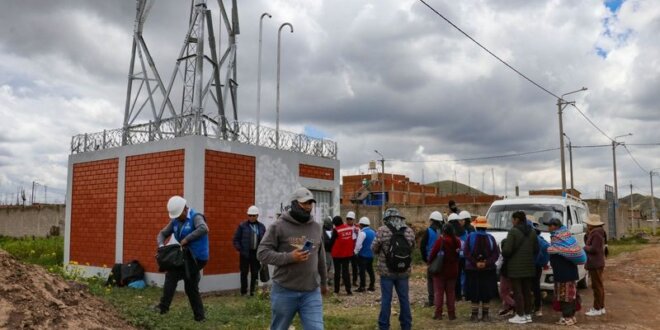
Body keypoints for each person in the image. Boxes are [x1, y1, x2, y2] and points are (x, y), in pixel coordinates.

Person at [257, 187, 327, 330]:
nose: (308, 207)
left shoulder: (316, 227)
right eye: (304, 203)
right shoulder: (278, 226)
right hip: (284, 290)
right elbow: (262, 253)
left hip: (311, 291)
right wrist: (290, 257)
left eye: (310, 203)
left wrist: (324, 282)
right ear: (294, 203)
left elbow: (321, 256)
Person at [155, 195, 209, 322]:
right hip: (185, 256)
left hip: (197, 258)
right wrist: (161, 245)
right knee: (190, 286)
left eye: (179, 215)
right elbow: (162, 234)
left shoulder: (196, 217)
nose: (178, 218)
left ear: (185, 209)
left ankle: (163, 307)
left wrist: (187, 239)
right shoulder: (175, 220)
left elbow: (204, 228)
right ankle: (200, 317)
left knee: (172, 275)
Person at [372, 208, 415, 330]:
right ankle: (406, 325)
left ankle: (384, 326)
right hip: (403, 271)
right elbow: (412, 248)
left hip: (386, 272)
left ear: (386, 218)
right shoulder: (409, 231)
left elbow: (374, 248)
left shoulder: (382, 230)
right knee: (404, 298)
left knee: (386, 299)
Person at [544, 216, 583, 326]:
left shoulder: (557, 238)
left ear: (555, 227)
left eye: (549, 226)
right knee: (571, 294)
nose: (548, 228)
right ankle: (571, 316)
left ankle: (567, 317)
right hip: (569, 271)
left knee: (565, 295)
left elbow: (557, 251)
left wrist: (551, 250)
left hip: (563, 272)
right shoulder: (566, 236)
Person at [501, 210, 538, 324]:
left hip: (515, 268)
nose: (512, 221)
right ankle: (528, 315)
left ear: (516, 219)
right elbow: (536, 249)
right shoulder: (532, 231)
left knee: (518, 292)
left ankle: (520, 315)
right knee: (527, 291)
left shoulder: (513, 231)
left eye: (512, 219)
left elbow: (507, 251)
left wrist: (504, 246)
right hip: (529, 266)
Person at [464, 216, 500, 322]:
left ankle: (474, 316)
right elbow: (496, 254)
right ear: (485, 227)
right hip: (488, 270)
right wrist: (486, 263)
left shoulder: (470, 237)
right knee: (486, 292)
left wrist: (475, 263)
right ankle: (485, 315)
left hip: (472, 270)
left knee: (474, 292)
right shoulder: (491, 238)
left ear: (476, 226)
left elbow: (466, 252)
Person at [428, 223, 461, 320]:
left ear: (443, 231)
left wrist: (429, 262)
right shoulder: (457, 241)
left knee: (439, 293)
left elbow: (433, 254)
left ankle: (438, 314)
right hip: (453, 271)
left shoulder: (441, 241)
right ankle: (451, 314)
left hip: (440, 271)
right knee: (451, 293)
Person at [232, 205, 267, 296]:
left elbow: (265, 240)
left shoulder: (262, 227)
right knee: (244, 273)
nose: (251, 217)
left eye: (253, 215)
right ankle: (243, 292)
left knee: (255, 273)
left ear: (257, 216)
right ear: (248, 215)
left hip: (256, 254)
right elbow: (236, 239)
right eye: (250, 215)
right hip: (245, 254)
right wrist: (240, 249)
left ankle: (253, 292)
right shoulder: (242, 226)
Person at [583, 214, 606, 317]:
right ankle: (601, 307)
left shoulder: (596, 234)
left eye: (588, 223)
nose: (587, 225)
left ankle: (597, 308)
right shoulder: (596, 232)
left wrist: (585, 247)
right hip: (596, 263)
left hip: (595, 263)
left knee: (597, 287)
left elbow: (594, 249)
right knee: (598, 286)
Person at [419, 211, 444, 307]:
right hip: (442, 259)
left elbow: (422, 246)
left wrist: (425, 259)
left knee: (431, 280)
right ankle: (439, 300)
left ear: (432, 220)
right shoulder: (443, 231)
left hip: (431, 259)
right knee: (440, 280)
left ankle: (431, 300)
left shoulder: (428, 231)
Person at [529, 215, 549, 316]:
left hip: (532, 266)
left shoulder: (535, 239)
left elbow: (546, 248)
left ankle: (536, 307)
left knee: (531, 287)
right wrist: (543, 262)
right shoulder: (539, 238)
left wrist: (537, 261)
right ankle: (537, 307)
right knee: (535, 286)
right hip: (537, 267)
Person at [329, 215, 354, 295]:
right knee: (346, 272)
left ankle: (336, 290)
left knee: (337, 272)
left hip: (337, 254)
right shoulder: (349, 228)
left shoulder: (336, 230)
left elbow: (331, 242)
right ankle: (348, 290)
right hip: (347, 254)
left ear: (335, 223)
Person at [354, 216, 376, 292]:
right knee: (370, 270)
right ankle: (372, 285)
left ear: (361, 225)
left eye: (359, 224)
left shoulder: (362, 233)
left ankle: (362, 286)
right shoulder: (373, 232)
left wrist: (355, 252)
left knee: (362, 271)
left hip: (363, 255)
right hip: (371, 255)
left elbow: (358, 245)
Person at [448, 213, 467, 301]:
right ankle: (464, 294)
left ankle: (456, 295)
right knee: (464, 275)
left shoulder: (451, 232)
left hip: (455, 257)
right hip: (464, 256)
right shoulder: (464, 231)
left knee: (455, 276)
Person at [346, 211, 360, 287]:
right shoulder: (344, 227)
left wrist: (357, 231)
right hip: (346, 250)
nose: (349, 220)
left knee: (354, 266)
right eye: (348, 219)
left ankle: (354, 281)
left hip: (354, 250)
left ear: (353, 219)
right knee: (345, 266)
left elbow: (359, 238)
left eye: (350, 219)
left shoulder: (357, 228)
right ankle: (345, 280)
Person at [322, 216, 334, 287]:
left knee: (332, 266)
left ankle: (330, 279)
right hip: (326, 251)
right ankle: (325, 279)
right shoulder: (322, 232)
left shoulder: (332, 231)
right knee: (326, 265)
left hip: (332, 251)